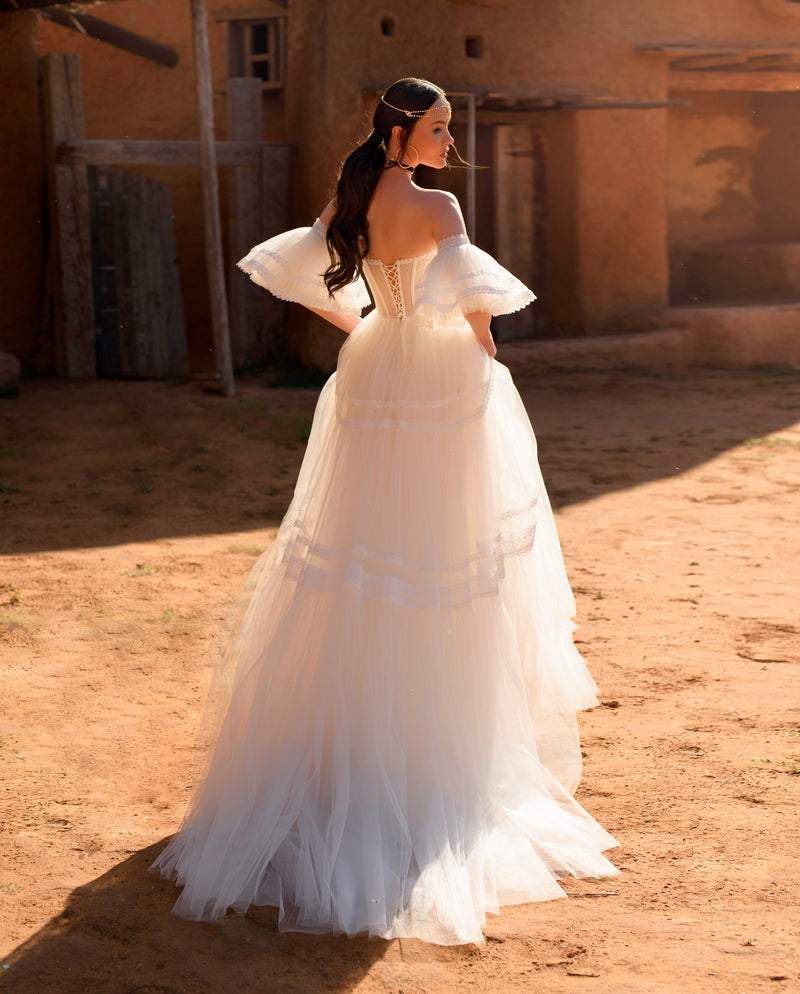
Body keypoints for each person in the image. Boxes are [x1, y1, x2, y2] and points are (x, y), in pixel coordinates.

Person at [151, 77, 619, 946]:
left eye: (450, 130)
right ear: (404, 131)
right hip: (438, 379)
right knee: (439, 555)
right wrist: (480, 370)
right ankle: (423, 767)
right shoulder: (438, 211)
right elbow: (481, 324)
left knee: (363, 554)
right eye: (439, 130)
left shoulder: (355, 194)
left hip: (372, 369)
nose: (451, 144)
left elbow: (306, 280)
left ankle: (345, 756)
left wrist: (366, 325)